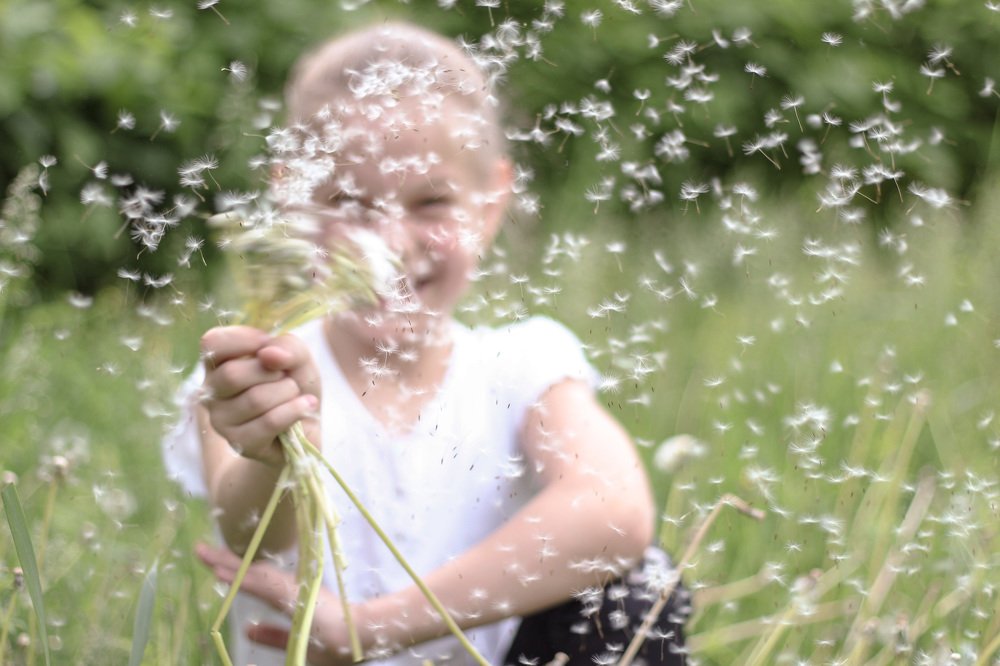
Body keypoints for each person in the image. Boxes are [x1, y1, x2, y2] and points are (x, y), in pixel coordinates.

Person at [163, 21, 690, 666]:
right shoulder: (251, 370)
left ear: (491, 204)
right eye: (348, 201)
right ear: (291, 198)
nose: (388, 241)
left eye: (430, 202)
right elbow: (251, 533)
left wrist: (372, 627)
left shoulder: (519, 367)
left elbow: (613, 513)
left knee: (638, 597)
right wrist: (275, 449)